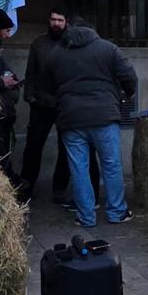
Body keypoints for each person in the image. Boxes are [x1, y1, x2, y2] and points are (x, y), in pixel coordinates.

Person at [49, 16, 137, 231]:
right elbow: (129, 76)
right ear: (92, 30)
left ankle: (86, 216)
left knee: (79, 168)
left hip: (71, 118)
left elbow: (50, 83)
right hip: (104, 115)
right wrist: (127, 93)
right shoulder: (108, 48)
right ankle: (117, 211)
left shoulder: (57, 53)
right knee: (112, 164)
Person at [20, 7, 100, 206]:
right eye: (53, 19)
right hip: (40, 103)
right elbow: (30, 72)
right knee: (33, 145)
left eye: (60, 20)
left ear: (67, 23)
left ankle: (59, 188)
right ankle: (27, 185)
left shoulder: (71, 44)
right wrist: (29, 95)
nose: (56, 23)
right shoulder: (39, 43)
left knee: (66, 149)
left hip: (64, 103)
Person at [0, 9, 24, 193]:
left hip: (4, 112)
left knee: (5, 151)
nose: (9, 35)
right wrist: (2, 82)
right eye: (7, 31)